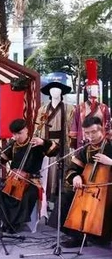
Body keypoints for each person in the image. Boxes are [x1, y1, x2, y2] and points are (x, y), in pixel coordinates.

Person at [0, 118, 59, 233]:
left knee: (25, 196)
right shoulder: (13, 145)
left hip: (31, 181)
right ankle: (4, 220)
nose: (17, 136)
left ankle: (15, 224)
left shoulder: (36, 144)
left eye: (20, 133)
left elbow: (55, 150)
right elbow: (1, 160)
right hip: (13, 179)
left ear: (26, 130)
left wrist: (43, 142)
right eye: (14, 134)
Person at [60, 116, 112, 248]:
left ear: (102, 130)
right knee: (67, 197)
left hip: (109, 188)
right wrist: (75, 177)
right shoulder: (85, 150)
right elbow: (71, 170)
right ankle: (76, 236)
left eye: (93, 132)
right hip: (91, 189)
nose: (90, 136)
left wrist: (110, 162)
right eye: (87, 133)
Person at [37, 82, 75, 214]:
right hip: (47, 145)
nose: (55, 92)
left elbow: (73, 129)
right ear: (49, 93)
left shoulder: (70, 108)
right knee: (47, 172)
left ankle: (59, 202)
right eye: (52, 90)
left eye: (58, 90)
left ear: (62, 92)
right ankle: (46, 202)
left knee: (61, 171)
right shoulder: (42, 110)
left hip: (63, 144)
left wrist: (72, 146)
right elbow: (38, 128)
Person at [69, 59, 111, 148]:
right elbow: (75, 126)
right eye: (93, 87)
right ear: (88, 89)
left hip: (100, 141)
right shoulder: (80, 107)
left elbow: (108, 126)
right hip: (83, 141)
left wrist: (107, 138)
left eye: (97, 88)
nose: (96, 90)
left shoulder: (103, 107)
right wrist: (73, 142)